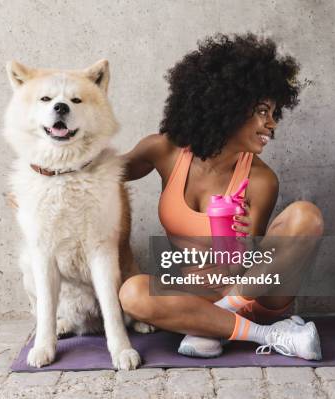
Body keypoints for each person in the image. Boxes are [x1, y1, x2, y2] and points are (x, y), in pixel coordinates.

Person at [118, 33, 324, 360]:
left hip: (248, 296)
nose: (271, 124)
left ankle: (218, 323)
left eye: (274, 113)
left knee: (306, 216)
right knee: (132, 293)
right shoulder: (164, 150)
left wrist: (243, 249)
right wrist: (43, 172)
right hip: (192, 298)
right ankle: (268, 335)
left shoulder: (261, 179)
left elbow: (253, 270)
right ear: (226, 104)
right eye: (262, 111)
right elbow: (100, 173)